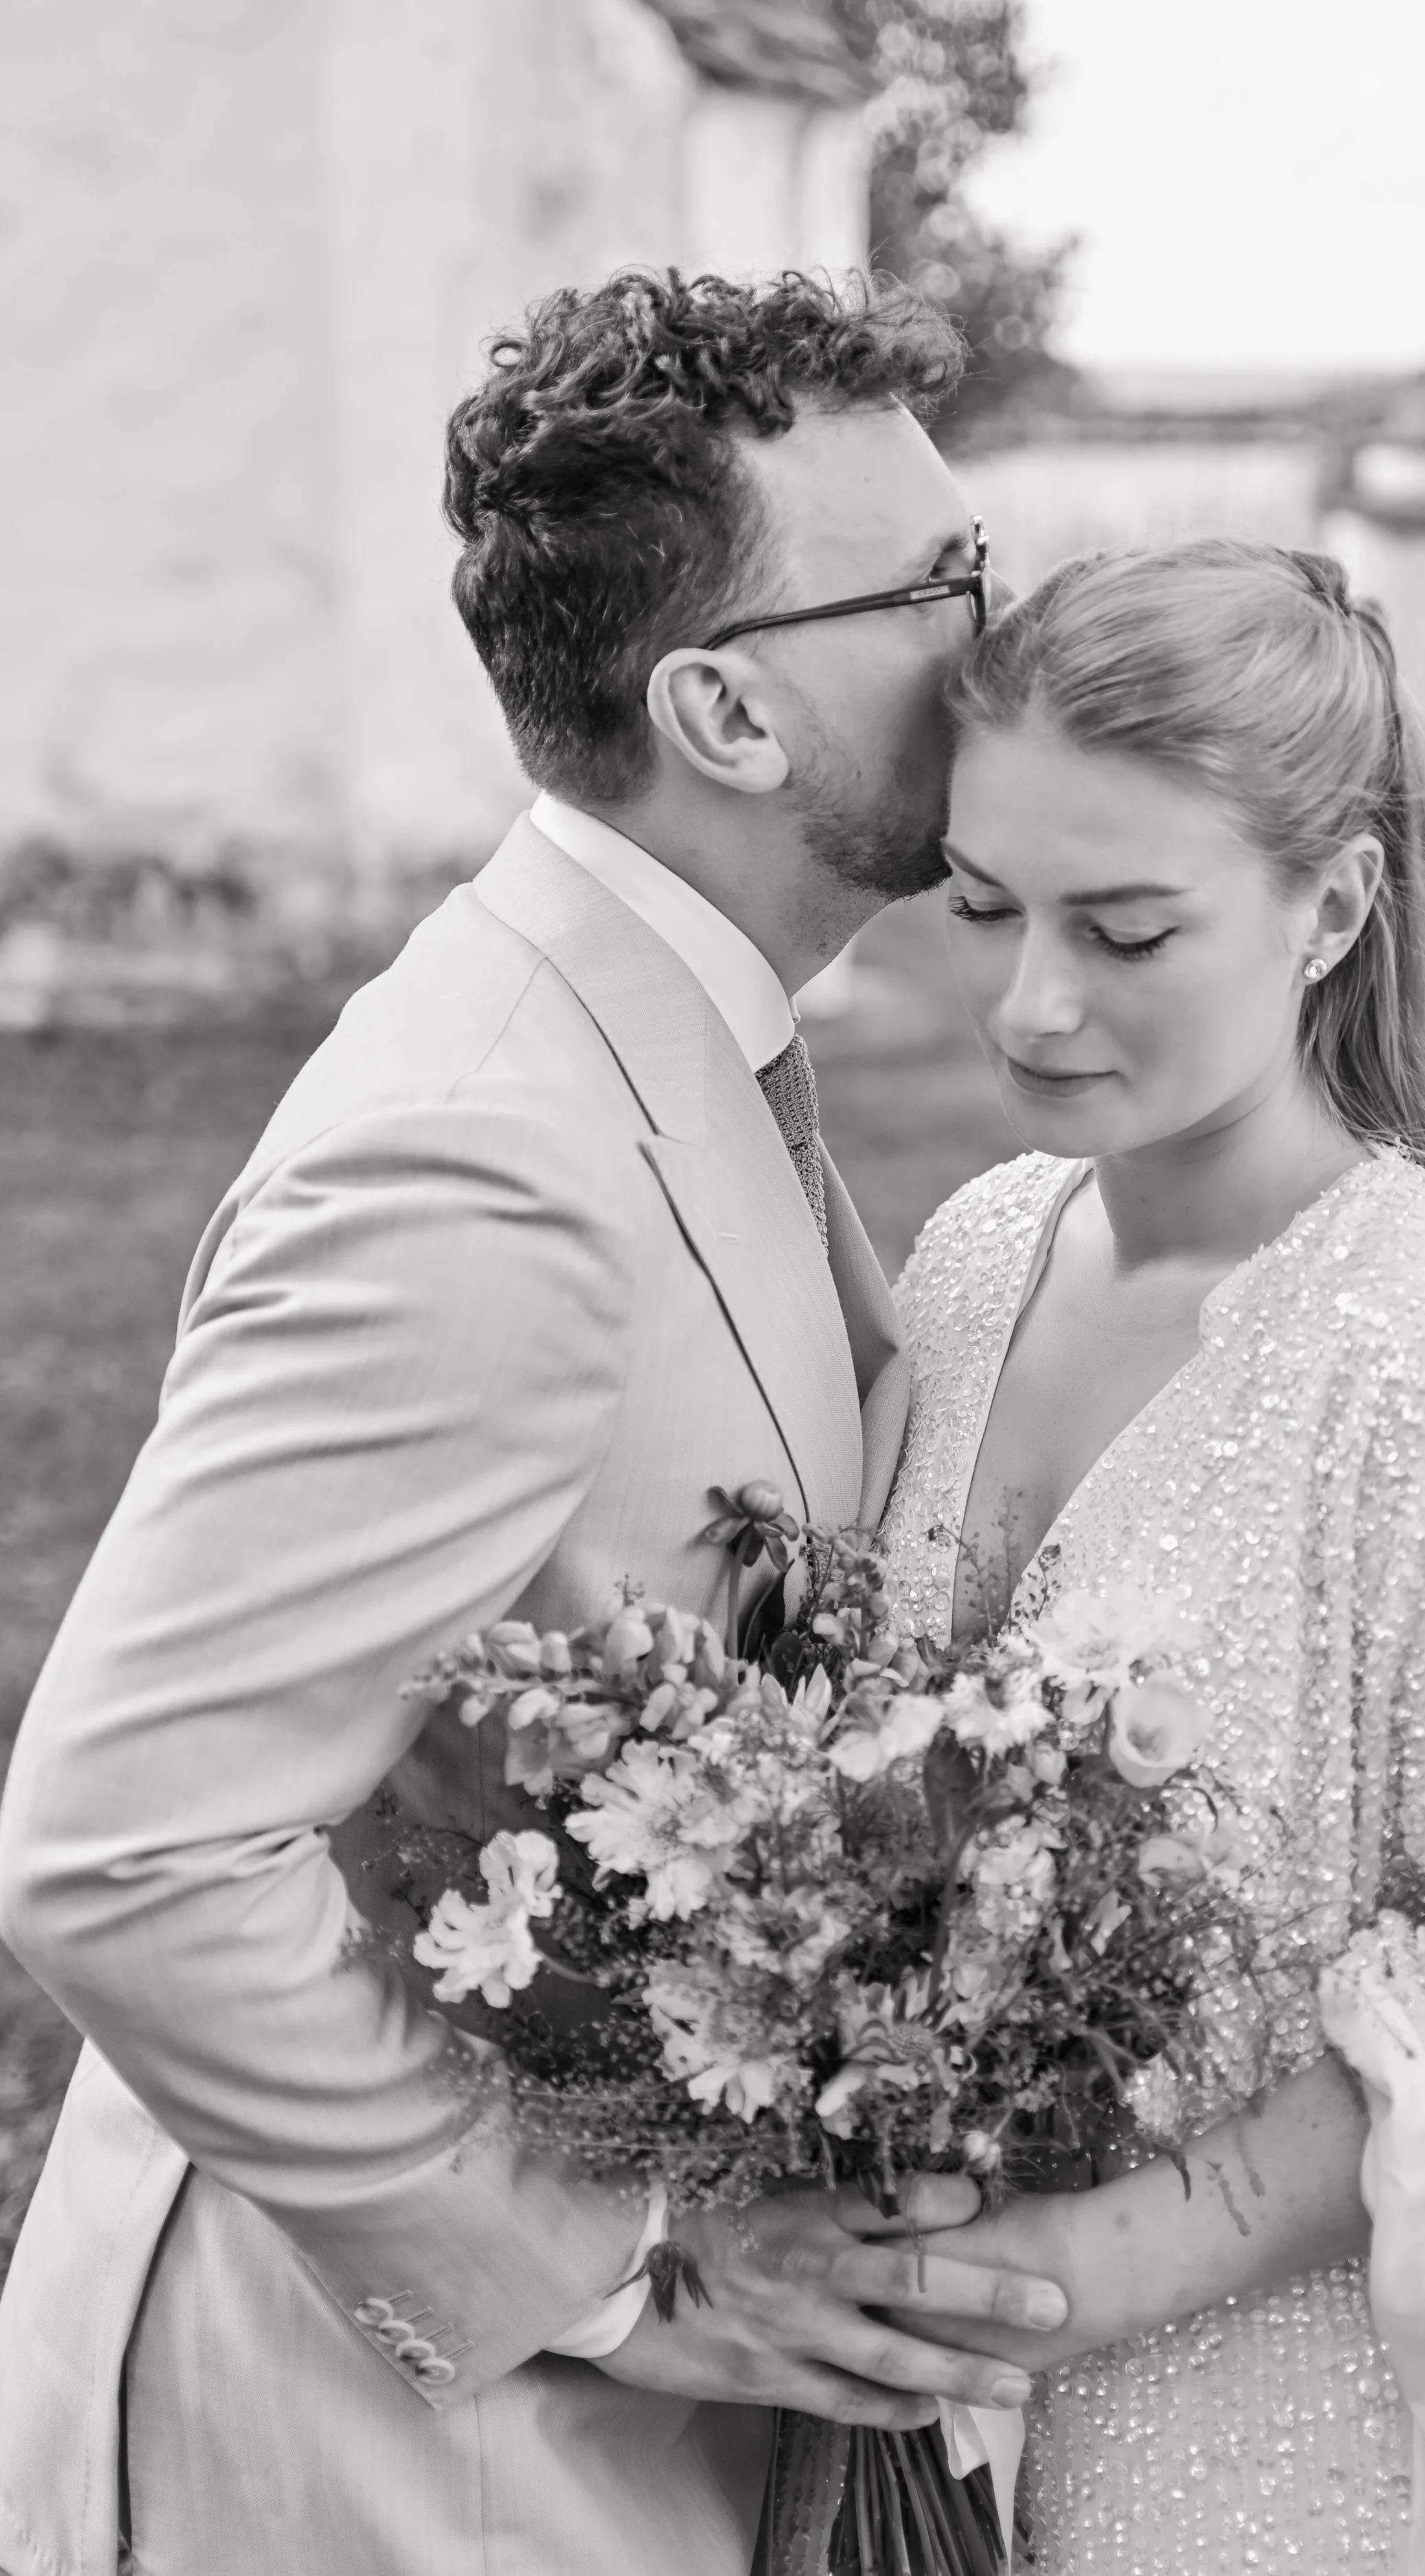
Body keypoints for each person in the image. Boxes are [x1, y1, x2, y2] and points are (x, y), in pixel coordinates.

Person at [0, 271, 1069, 2576]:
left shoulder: (672, 1037)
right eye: (940, 589)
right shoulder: (484, 1151)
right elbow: (126, 1843)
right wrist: (622, 2274)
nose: (999, 645)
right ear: (723, 708)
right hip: (389, 2461)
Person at [875, 541, 1425, 2573]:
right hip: (929, 2428)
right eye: (987, 908)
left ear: (1330, 903)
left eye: (1127, 926)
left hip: (1273, 2455)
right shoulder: (981, 1252)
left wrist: (1068, 2272)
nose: (1031, 1001)